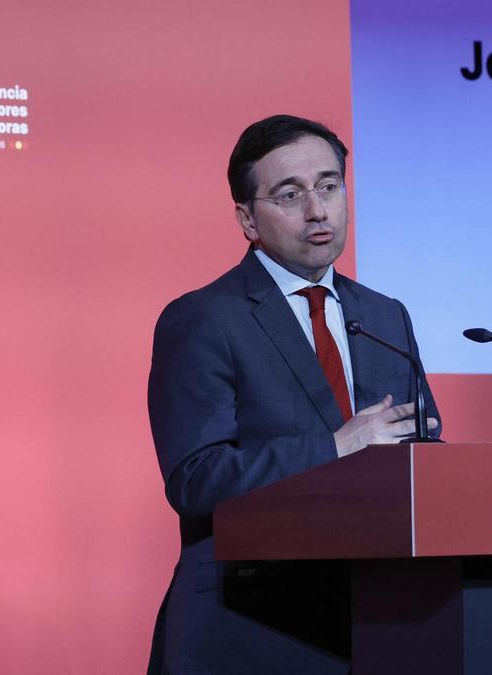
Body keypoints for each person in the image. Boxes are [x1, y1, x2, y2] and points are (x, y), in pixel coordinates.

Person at [146, 114, 440, 674]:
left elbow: (419, 445)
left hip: (382, 616)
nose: (318, 209)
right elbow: (196, 479)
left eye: (329, 186)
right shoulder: (203, 319)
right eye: (290, 194)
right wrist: (334, 448)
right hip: (251, 624)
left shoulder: (385, 316)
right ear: (247, 219)